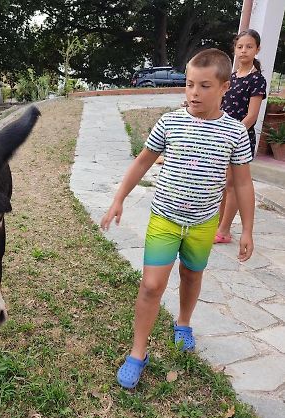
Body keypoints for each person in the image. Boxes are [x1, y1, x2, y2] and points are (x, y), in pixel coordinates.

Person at [100, 48, 255, 390]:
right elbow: (142, 161)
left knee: (191, 274)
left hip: (203, 224)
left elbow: (242, 183)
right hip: (165, 220)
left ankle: (183, 322)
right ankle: (138, 353)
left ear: (225, 87)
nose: (193, 93)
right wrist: (118, 199)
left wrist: (247, 229)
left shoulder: (235, 133)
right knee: (151, 286)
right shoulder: (170, 122)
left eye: (204, 86)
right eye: (189, 85)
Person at [214, 29, 267, 244]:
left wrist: (232, 134)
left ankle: (225, 230)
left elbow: (252, 116)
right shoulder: (232, 77)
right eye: (240, 46)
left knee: (233, 184)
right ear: (235, 49)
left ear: (257, 49)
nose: (244, 50)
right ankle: (217, 224)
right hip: (223, 135)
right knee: (222, 183)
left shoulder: (257, 80)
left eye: (249, 46)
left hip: (240, 139)